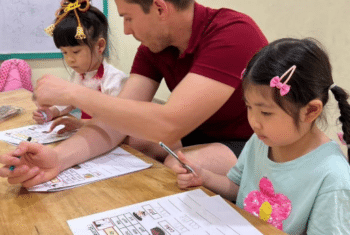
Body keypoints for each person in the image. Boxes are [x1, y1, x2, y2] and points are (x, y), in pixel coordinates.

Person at [0, 0, 267, 187]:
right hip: (199, 132)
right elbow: (119, 121)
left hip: (253, 141)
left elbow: (169, 123)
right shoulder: (154, 49)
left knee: (179, 166)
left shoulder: (232, 33)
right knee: (132, 138)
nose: (126, 30)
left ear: (160, 8)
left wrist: (72, 93)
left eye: (128, 17)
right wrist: (57, 159)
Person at [173, 38, 350, 234]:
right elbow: (238, 188)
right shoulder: (261, 140)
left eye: (266, 113)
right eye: (249, 107)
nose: (254, 122)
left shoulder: (333, 176)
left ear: (310, 111)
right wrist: (204, 177)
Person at [32, 0, 128, 134]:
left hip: (112, 139)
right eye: (64, 52)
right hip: (88, 135)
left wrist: (81, 123)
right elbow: (70, 102)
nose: (70, 60)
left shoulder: (114, 79)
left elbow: (118, 121)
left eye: (76, 52)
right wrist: (50, 112)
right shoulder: (78, 74)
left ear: (99, 46)